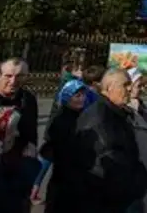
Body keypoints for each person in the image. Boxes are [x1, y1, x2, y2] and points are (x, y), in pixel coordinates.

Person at [70, 69, 147, 212]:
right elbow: (107, 165)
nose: (130, 89)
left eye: (130, 84)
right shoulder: (100, 118)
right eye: (125, 85)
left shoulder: (116, 113)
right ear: (108, 88)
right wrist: (137, 184)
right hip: (107, 202)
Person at [0, 58, 41, 213]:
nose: (13, 81)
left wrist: (31, 146)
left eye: (20, 76)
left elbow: (31, 131)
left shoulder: (28, 99)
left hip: (19, 163)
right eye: (8, 76)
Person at [32, 79, 88, 210]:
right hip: (63, 178)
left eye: (83, 95)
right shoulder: (61, 119)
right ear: (67, 97)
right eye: (77, 96)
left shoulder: (83, 116)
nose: (82, 99)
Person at [126, 68, 147, 213]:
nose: (143, 89)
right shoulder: (124, 110)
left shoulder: (142, 107)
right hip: (135, 172)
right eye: (139, 85)